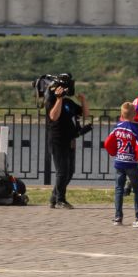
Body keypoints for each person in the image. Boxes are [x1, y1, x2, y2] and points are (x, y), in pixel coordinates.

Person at [45, 76, 87, 210]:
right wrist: (59, 99)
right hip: (57, 140)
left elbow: (85, 114)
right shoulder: (51, 100)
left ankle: (54, 197)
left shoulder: (69, 102)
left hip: (70, 140)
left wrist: (83, 101)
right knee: (62, 171)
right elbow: (53, 116)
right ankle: (60, 200)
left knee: (70, 171)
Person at [104, 102, 138, 226]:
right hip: (131, 163)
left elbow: (107, 142)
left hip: (119, 162)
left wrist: (113, 152)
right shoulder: (136, 129)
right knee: (137, 189)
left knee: (119, 189)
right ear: (135, 115)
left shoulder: (118, 127)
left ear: (121, 114)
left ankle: (118, 216)